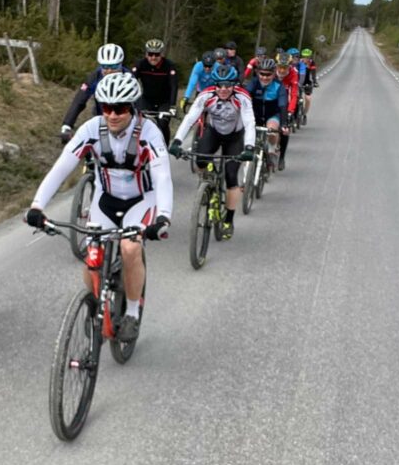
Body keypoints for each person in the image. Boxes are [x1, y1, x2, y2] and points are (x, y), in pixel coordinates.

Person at [25, 72, 173, 343]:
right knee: (92, 255)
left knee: (130, 248)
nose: (113, 115)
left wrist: (163, 217)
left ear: (133, 107)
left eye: (120, 108)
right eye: (107, 108)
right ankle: (95, 305)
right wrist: (37, 205)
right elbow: (61, 168)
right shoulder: (92, 129)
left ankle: (131, 312)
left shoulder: (149, 132)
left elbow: (163, 176)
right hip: (106, 199)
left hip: (141, 200)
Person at [169, 63, 255, 240]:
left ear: (234, 85)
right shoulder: (206, 95)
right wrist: (177, 141)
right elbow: (190, 118)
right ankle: (208, 186)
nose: (223, 89)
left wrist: (249, 147)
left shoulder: (242, 97)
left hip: (235, 136)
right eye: (220, 85)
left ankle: (229, 220)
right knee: (200, 159)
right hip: (214, 132)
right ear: (215, 85)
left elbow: (249, 122)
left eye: (228, 85)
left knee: (232, 176)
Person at [60, 43, 129, 143]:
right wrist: (67, 124)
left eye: (114, 66)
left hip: (123, 120)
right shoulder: (95, 76)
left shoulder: (128, 77)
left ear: (121, 64)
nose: (109, 71)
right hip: (101, 117)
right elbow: (79, 100)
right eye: (105, 66)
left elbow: (137, 103)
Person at [131, 38, 178, 143]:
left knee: (162, 123)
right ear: (146, 54)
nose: (153, 57)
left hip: (164, 101)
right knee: (141, 123)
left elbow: (174, 86)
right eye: (150, 54)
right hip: (147, 100)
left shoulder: (169, 66)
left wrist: (172, 106)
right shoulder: (140, 64)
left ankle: (164, 147)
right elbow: (131, 81)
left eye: (157, 55)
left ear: (162, 54)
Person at [243, 57, 288, 167]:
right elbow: (244, 98)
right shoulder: (253, 83)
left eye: (268, 75)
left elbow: (282, 105)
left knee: (272, 131)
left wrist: (283, 124)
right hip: (255, 115)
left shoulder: (279, 86)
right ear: (258, 73)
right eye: (262, 74)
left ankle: (273, 152)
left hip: (272, 114)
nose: (264, 77)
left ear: (274, 74)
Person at [275, 57, 299, 168]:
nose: (282, 71)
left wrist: (290, 111)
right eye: (280, 67)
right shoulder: (271, 71)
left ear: (290, 66)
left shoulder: (294, 73)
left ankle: (281, 158)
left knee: (285, 130)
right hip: (272, 101)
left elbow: (294, 95)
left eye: (285, 68)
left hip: (286, 103)